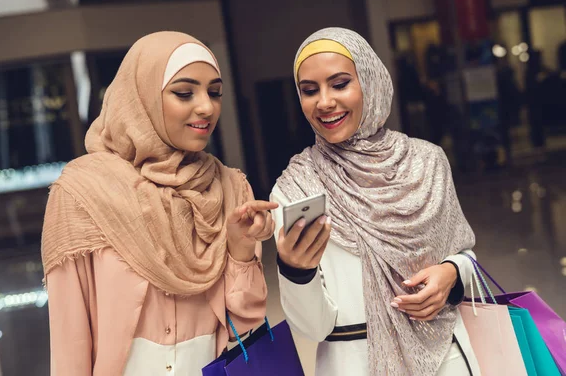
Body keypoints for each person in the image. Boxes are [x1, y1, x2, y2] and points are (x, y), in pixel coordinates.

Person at [41, 31, 276, 375]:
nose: (206, 107)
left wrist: (241, 248)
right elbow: (69, 344)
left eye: (215, 92)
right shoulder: (81, 194)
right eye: (184, 93)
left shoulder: (230, 187)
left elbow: (245, 325)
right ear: (142, 98)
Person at [271, 27, 480, 375]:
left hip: (446, 358)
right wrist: (296, 272)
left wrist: (451, 273)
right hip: (353, 364)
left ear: (371, 82)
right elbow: (312, 329)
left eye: (339, 84)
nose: (324, 102)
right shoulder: (297, 187)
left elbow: (465, 254)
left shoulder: (426, 162)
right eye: (309, 90)